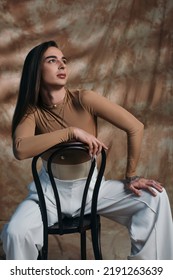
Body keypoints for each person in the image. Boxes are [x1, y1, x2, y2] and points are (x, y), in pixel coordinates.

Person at [1, 40, 173, 260]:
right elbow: (20, 150)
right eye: (52, 60)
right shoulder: (32, 112)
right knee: (16, 232)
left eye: (64, 61)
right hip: (49, 195)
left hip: (93, 191)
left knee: (155, 198)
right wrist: (71, 132)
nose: (62, 65)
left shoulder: (85, 99)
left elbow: (135, 127)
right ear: (36, 69)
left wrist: (131, 176)